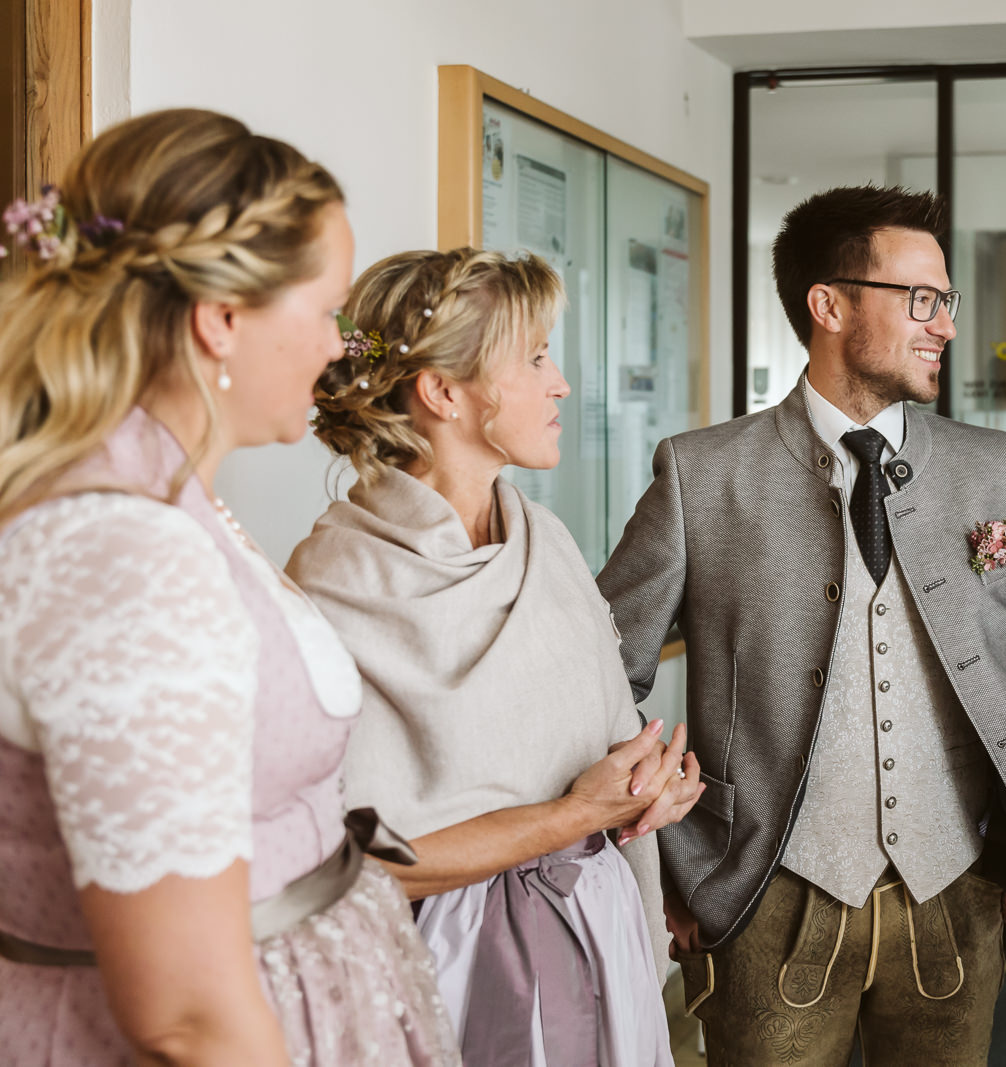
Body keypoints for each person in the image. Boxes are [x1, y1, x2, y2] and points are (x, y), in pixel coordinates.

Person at [597, 185, 1006, 1065]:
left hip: (955, 893)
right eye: (921, 299)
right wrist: (668, 852)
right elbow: (604, 672)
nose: (944, 324)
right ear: (829, 305)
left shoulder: (999, 469)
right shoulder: (702, 475)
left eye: (944, 301)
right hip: (764, 899)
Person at [0, 109, 456, 1065]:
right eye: (328, 307)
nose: (341, 345)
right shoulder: (124, 556)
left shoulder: (160, 496)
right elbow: (186, 1011)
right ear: (222, 320)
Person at [285, 247, 701, 1067]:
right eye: (537, 357)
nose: (561, 385)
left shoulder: (546, 539)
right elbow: (350, 860)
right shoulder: (334, 583)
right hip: (451, 959)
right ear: (444, 392)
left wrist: (651, 784)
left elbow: (603, 740)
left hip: (599, 925)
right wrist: (576, 814)